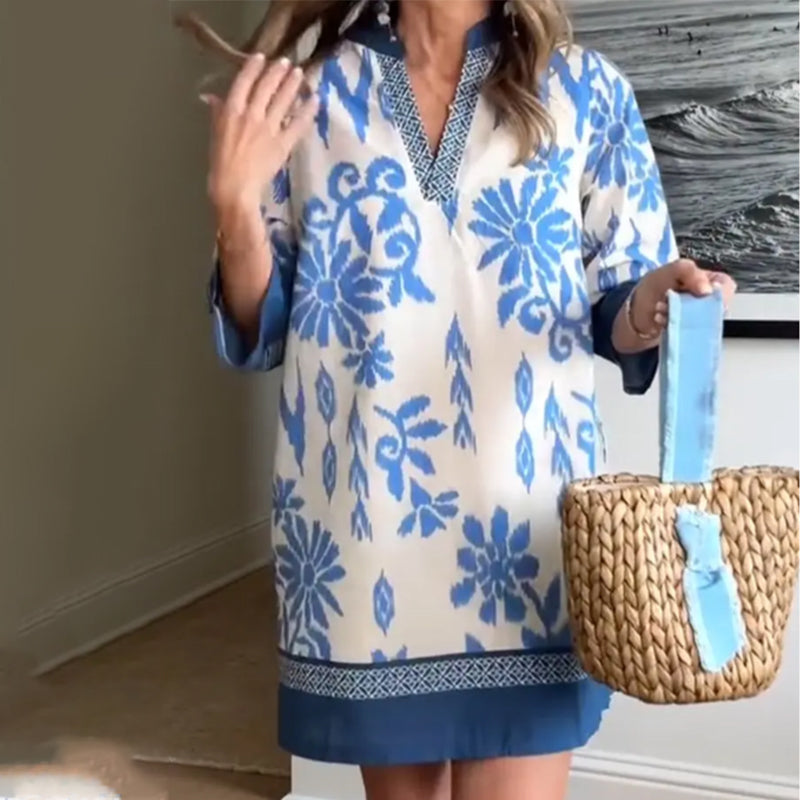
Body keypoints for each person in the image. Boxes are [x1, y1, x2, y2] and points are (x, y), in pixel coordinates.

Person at [185, 1, 737, 798]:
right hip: (367, 533)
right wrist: (235, 207)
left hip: (531, 542)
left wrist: (657, 300)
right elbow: (259, 327)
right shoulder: (310, 91)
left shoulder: (583, 89)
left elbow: (616, 302)